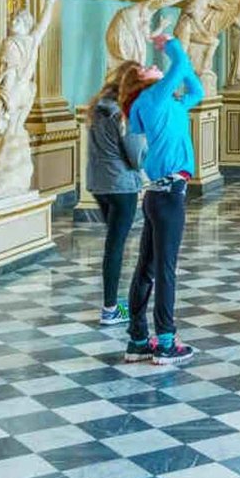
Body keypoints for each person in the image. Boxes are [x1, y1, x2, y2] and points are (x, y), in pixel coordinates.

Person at [122, 34, 204, 365]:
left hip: (158, 194)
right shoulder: (154, 98)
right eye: (146, 68)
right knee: (165, 270)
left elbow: (197, 91)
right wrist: (168, 43)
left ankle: (138, 339)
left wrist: (177, 70)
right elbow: (182, 64)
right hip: (168, 195)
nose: (154, 66)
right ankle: (166, 341)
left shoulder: (162, 102)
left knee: (147, 268)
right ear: (140, 82)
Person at [86, 64, 148, 325]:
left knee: (113, 243)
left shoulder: (97, 107)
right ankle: (111, 308)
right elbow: (136, 156)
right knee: (116, 246)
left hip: (99, 184)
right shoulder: (122, 113)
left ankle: (111, 304)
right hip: (121, 185)